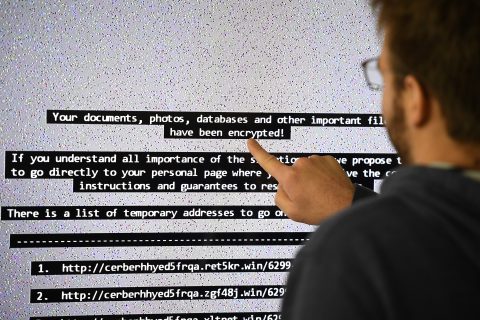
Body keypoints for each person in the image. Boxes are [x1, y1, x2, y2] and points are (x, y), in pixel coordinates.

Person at [247, 0, 480, 319]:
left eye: (383, 76)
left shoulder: (346, 260)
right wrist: (356, 206)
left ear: (414, 97)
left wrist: (367, 234)